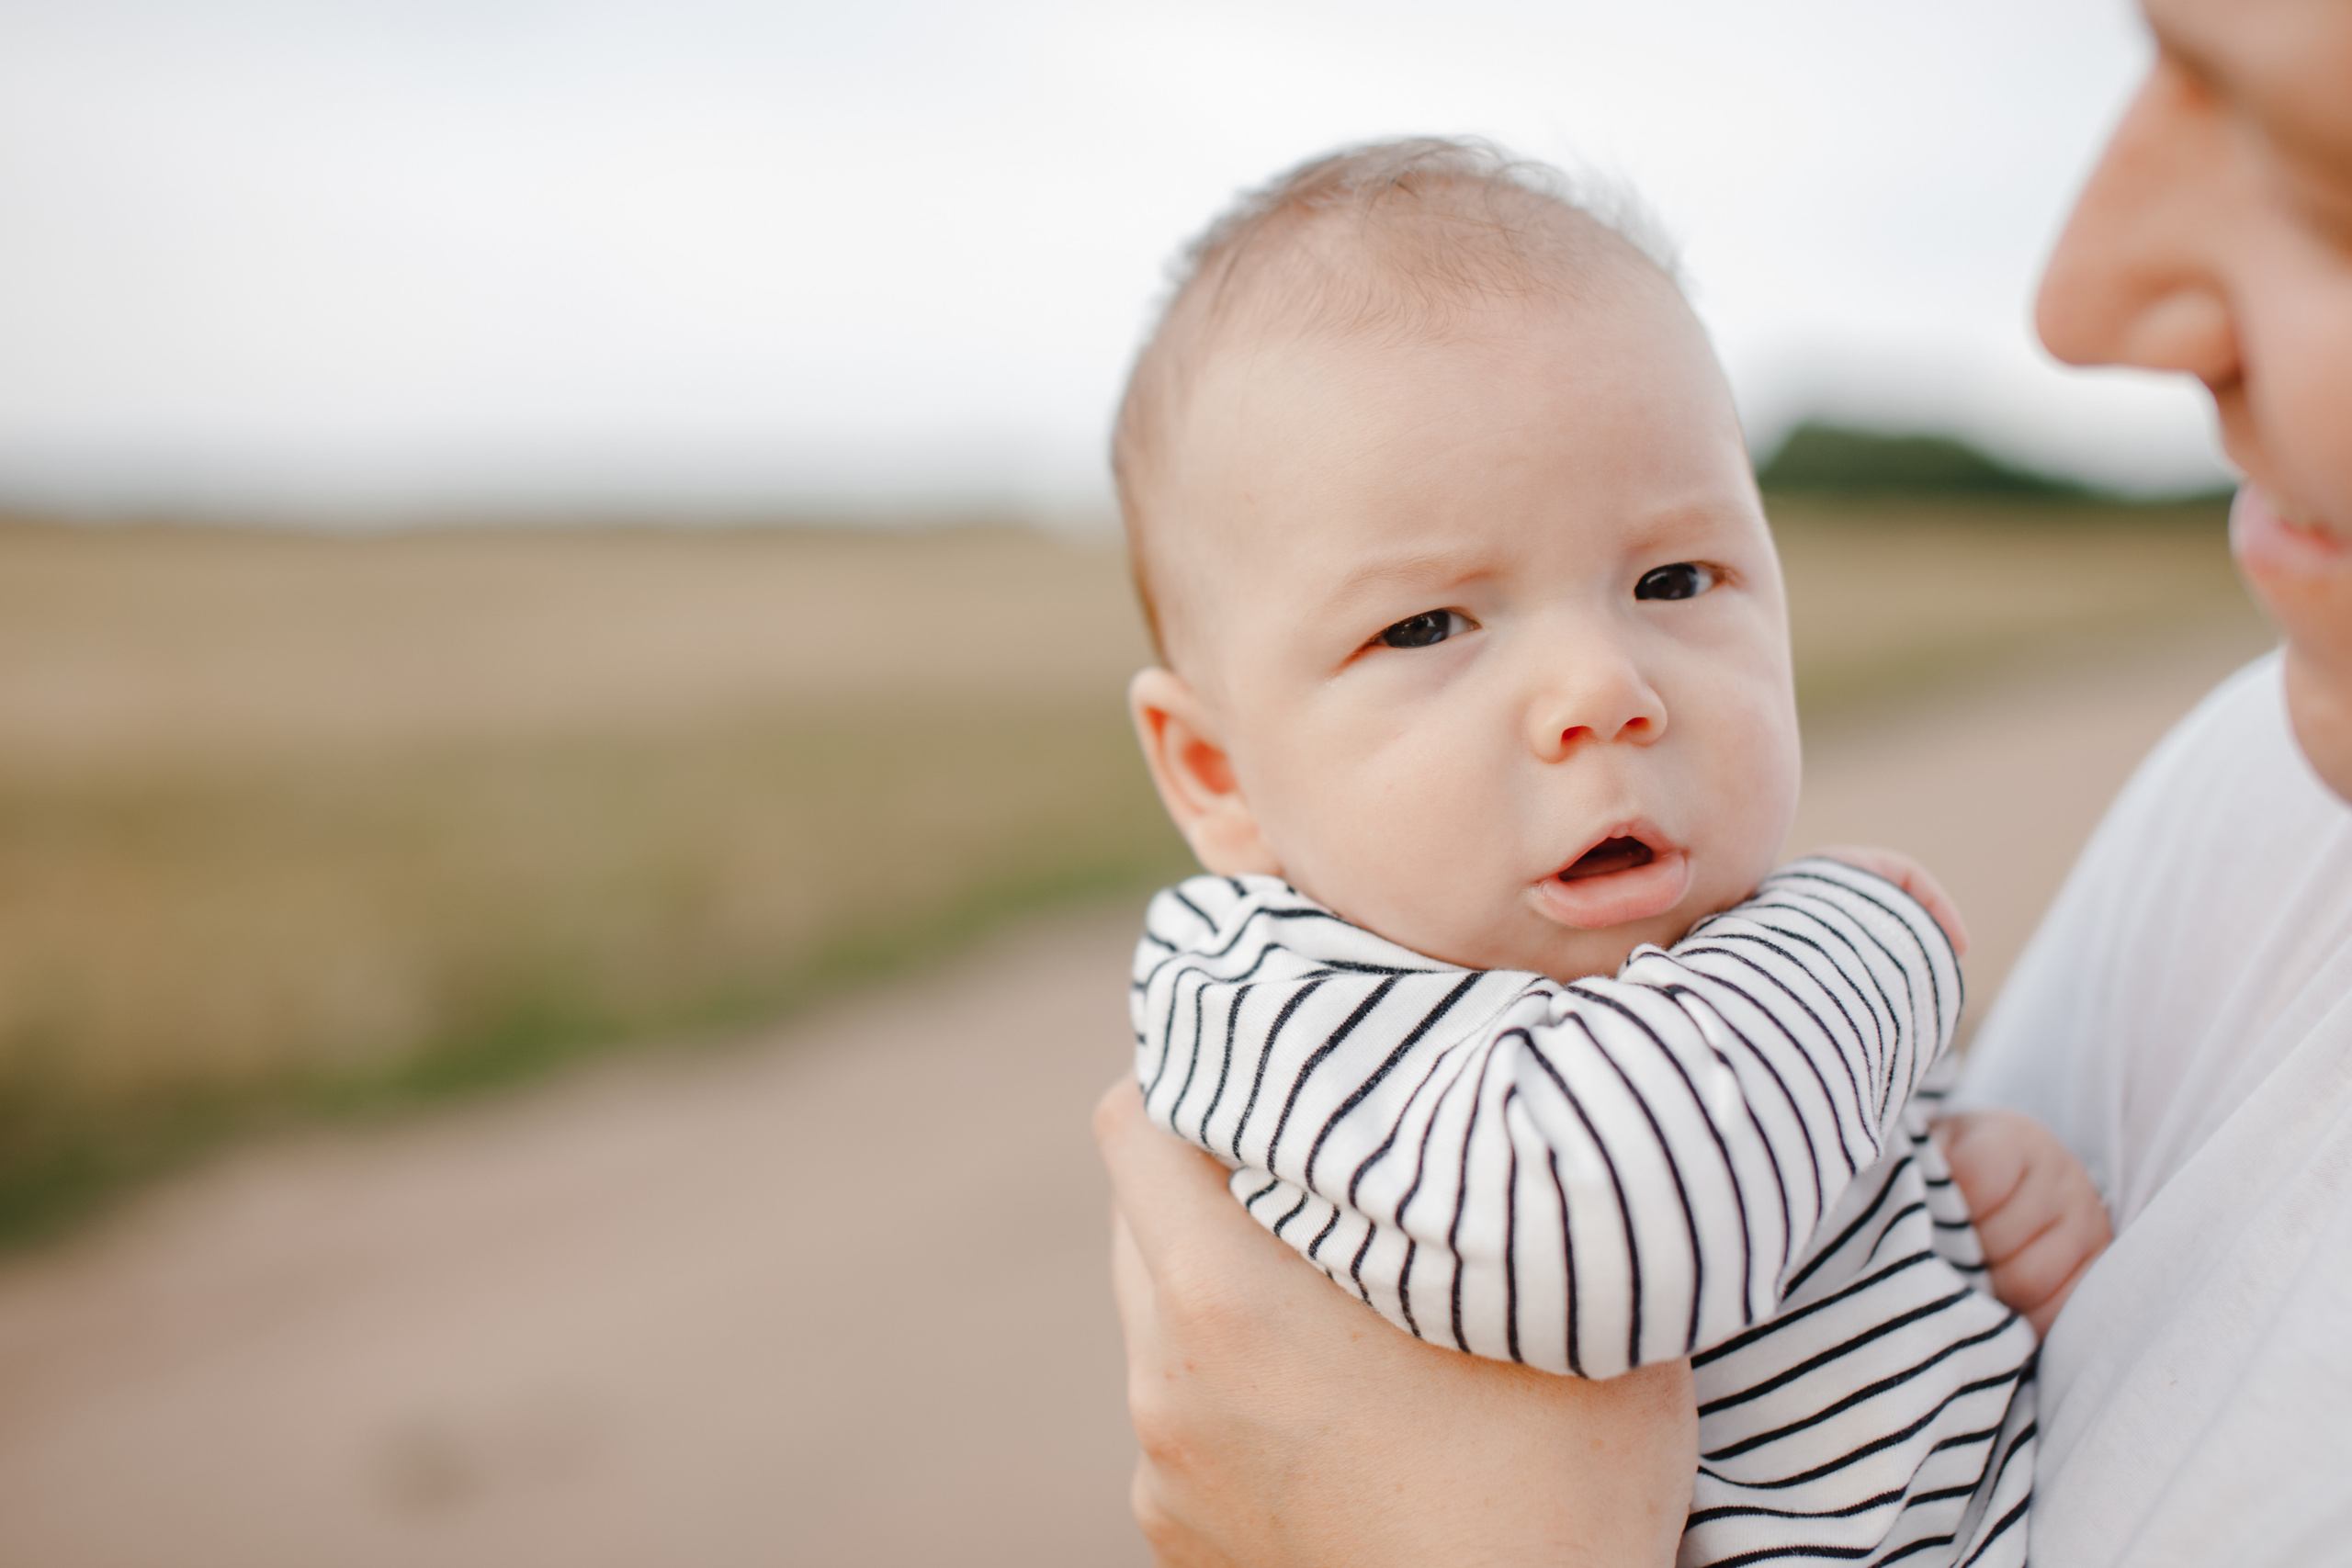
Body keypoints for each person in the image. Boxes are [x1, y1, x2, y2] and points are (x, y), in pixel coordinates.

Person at [1097, 1, 2352, 1562]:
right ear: (1218, 774)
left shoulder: (1710, 953)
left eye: (1677, 580)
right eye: (1428, 624)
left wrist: (1957, 1175)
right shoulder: (1282, 997)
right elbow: (1599, 1222)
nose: (1603, 691)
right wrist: (1880, 942)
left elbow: (1791, 1137)